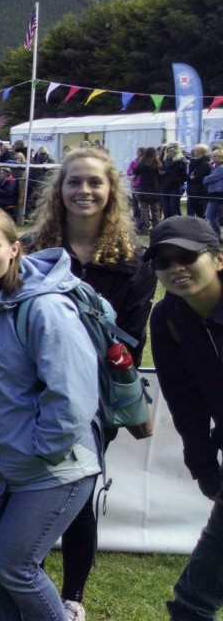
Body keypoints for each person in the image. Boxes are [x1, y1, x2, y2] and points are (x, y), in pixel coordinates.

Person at [20, 147, 156, 621]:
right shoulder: (30, 251)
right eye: (74, 182)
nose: (84, 191)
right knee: (25, 493)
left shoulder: (135, 264)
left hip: (94, 403)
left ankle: (73, 596)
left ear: (111, 191)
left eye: (94, 183)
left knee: (78, 497)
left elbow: (130, 346)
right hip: (30, 395)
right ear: (59, 191)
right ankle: (23, 580)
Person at [0, 206, 102, 620]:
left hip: (53, 464)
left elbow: (71, 396)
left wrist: (39, 450)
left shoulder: (45, 309)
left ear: (14, 249)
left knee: (14, 565)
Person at [146, 215, 223, 621]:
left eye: (188, 256)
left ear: (219, 258)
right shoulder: (168, 318)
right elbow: (184, 404)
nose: (176, 268)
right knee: (196, 598)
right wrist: (205, 469)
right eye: (163, 261)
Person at [133, 146, 163, 233]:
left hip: (144, 189)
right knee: (155, 210)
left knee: (144, 210)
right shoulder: (157, 163)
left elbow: (135, 172)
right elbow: (161, 175)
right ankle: (156, 228)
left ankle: (145, 228)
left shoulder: (142, 163)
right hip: (155, 189)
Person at [160, 142, 188, 219]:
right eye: (168, 151)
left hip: (175, 187)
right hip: (164, 187)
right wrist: (162, 174)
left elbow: (184, 176)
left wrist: (172, 180)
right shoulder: (165, 161)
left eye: (171, 151)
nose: (169, 153)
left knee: (174, 208)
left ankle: (178, 225)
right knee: (166, 208)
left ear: (176, 151)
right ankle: (167, 225)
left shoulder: (181, 161)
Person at [186, 144, 211, 219]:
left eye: (195, 150)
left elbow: (197, 177)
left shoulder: (204, 164)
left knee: (198, 212)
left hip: (198, 191)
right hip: (193, 190)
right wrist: (189, 177)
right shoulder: (196, 163)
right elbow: (190, 175)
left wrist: (190, 178)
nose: (193, 152)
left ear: (201, 151)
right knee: (192, 211)